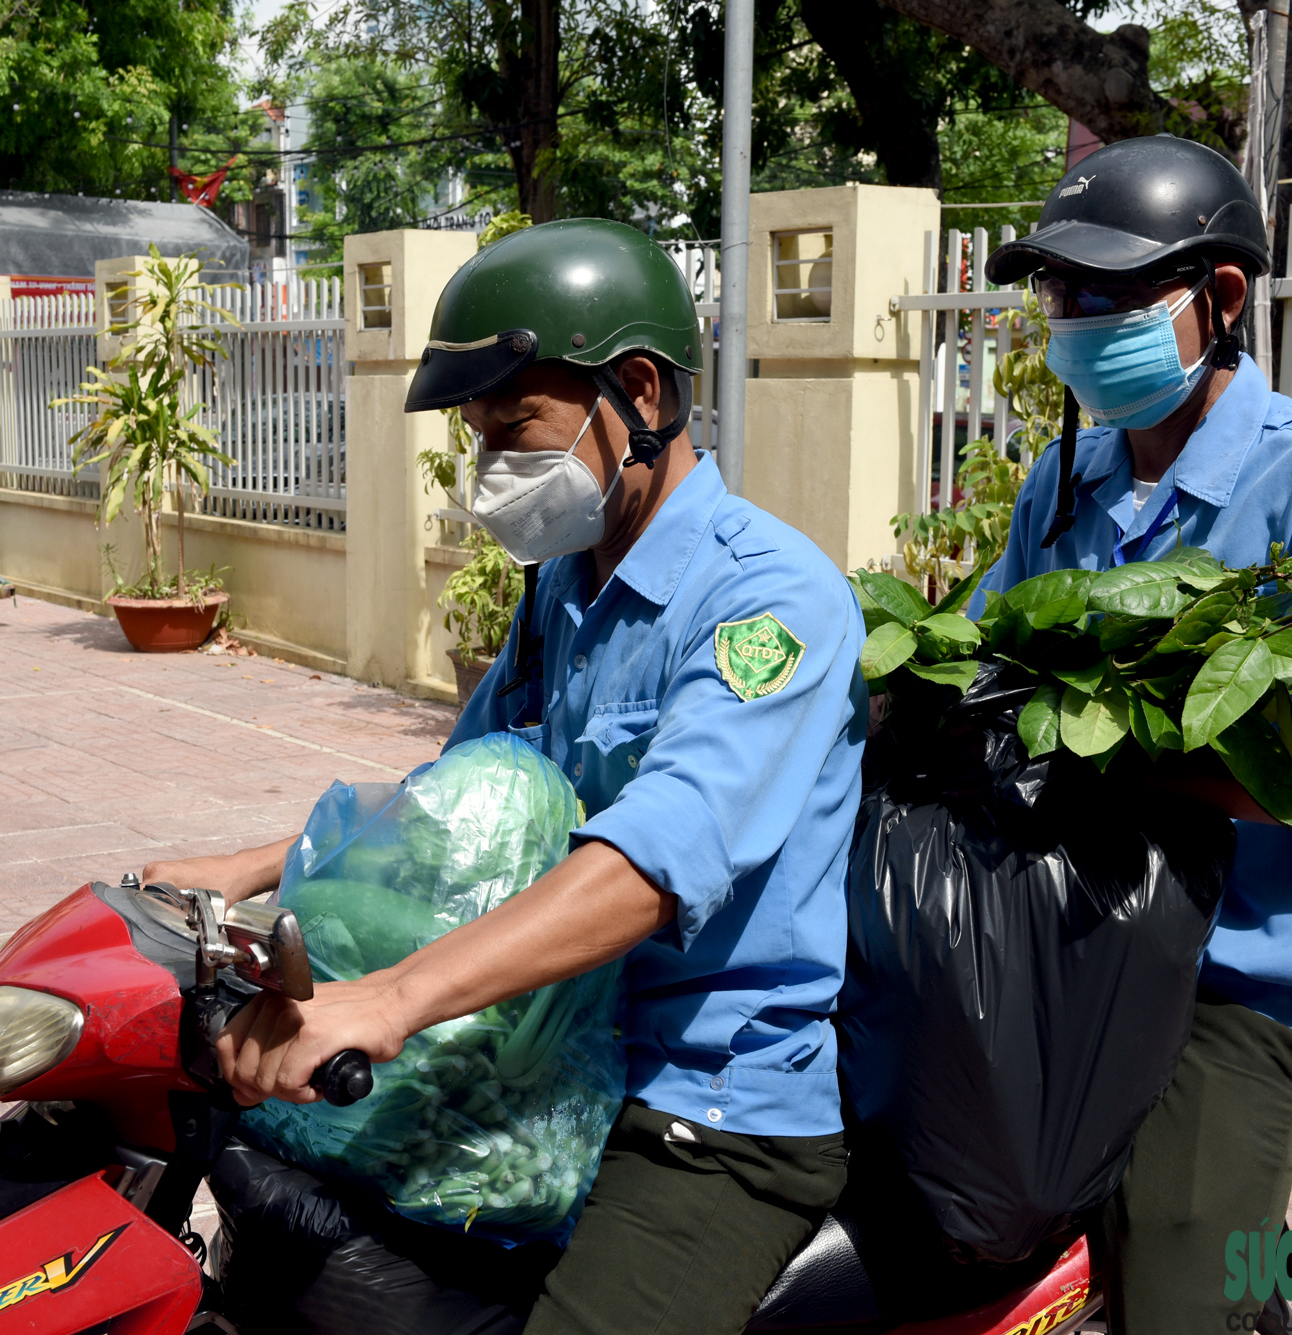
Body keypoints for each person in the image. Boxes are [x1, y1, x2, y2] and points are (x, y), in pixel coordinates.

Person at [143, 217, 867, 1335]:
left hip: (706, 1105)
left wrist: (387, 1001)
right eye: (480, 436)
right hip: (546, 1060)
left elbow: (652, 863)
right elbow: (458, 809)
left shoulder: (768, 601)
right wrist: (251, 871)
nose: (493, 470)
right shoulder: (564, 588)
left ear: (637, 390)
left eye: (515, 425)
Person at [976, 135, 1292, 1332]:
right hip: (1067, 953)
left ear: (1218, 299)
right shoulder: (1063, 483)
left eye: (1109, 295)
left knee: (1176, 1281)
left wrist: (1159, 761)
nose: (1074, 320)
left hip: (1232, 985)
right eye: (1059, 294)